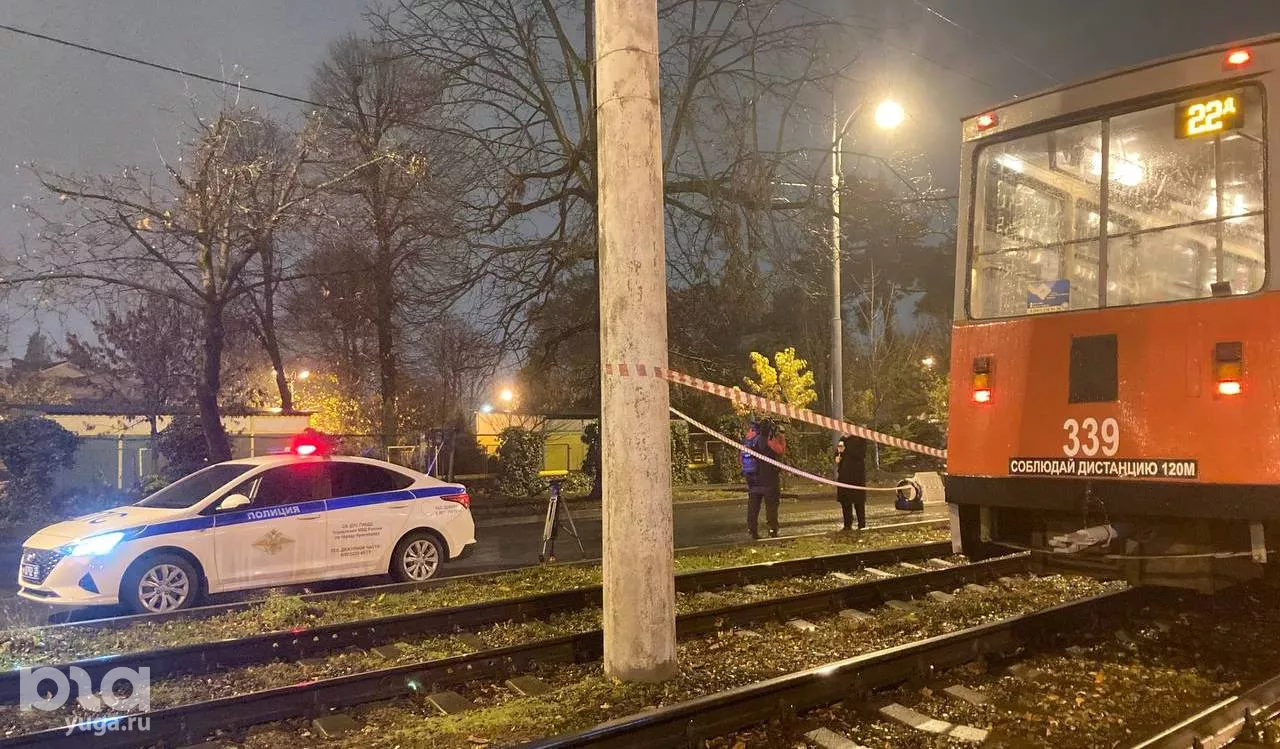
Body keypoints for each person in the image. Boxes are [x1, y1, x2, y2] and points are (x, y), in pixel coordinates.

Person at [742, 420, 787, 540]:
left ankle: (752, 529)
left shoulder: (750, 438)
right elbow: (780, 450)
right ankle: (772, 529)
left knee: (753, 505)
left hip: (753, 478)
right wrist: (781, 436)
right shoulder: (769, 439)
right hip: (769, 478)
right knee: (771, 505)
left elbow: (741, 457)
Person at [835, 434, 868, 530]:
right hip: (844, 476)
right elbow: (838, 452)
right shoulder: (842, 439)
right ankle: (847, 524)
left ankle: (861, 524)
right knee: (845, 501)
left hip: (856, 476)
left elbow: (861, 454)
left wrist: (846, 450)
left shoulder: (860, 438)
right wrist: (837, 457)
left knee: (858, 502)